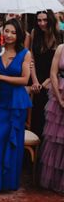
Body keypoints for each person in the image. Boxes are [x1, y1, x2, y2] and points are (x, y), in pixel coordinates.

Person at [0, 19, 31, 198]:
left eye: (13, 32)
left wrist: (0, 77)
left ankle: (9, 181)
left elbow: (25, 80)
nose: (9, 35)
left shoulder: (25, 54)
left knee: (13, 140)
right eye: (7, 31)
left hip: (16, 102)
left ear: (18, 34)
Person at [27, 10, 62, 138]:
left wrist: (50, 80)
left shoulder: (60, 35)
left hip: (53, 79)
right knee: (37, 116)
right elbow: (31, 58)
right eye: (39, 20)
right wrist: (35, 80)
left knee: (50, 119)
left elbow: (61, 63)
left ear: (51, 19)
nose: (42, 23)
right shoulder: (35, 33)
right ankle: (34, 155)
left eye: (45, 20)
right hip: (37, 77)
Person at [40, 42, 64, 193]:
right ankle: (55, 180)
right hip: (58, 96)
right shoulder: (61, 48)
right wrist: (60, 99)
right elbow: (53, 73)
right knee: (56, 138)